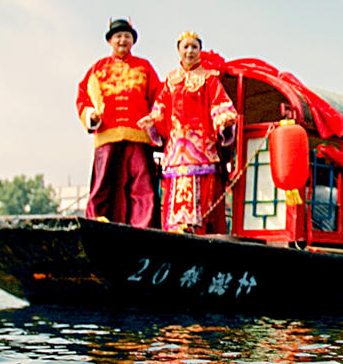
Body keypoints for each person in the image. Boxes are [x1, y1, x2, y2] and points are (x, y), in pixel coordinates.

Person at [141, 32, 239, 234]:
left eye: (194, 47)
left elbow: (220, 105)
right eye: (185, 47)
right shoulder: (171, 80)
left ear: (200, 50)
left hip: (202, 148)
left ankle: (198, 231)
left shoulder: (209, 79)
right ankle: (174, 232)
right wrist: (152, 119)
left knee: (202, 194)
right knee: (174, 193)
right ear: (178, 50)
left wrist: (224, 121)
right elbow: (160, 107)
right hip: (176, 148)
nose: (190, 51)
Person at [75, 19, 162, 227]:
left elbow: (158, 97)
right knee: (104, 183)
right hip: (108, 134)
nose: (123, 40)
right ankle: (99, 225)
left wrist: (154, 119)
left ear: (133, 41)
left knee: (143, 185)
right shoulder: (98, 68)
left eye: (127, 36)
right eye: (118, 36)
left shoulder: (144, 67)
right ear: (110, 41)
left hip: (138, 134)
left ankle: (144, 227)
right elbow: (82, 97)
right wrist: (90, 115)